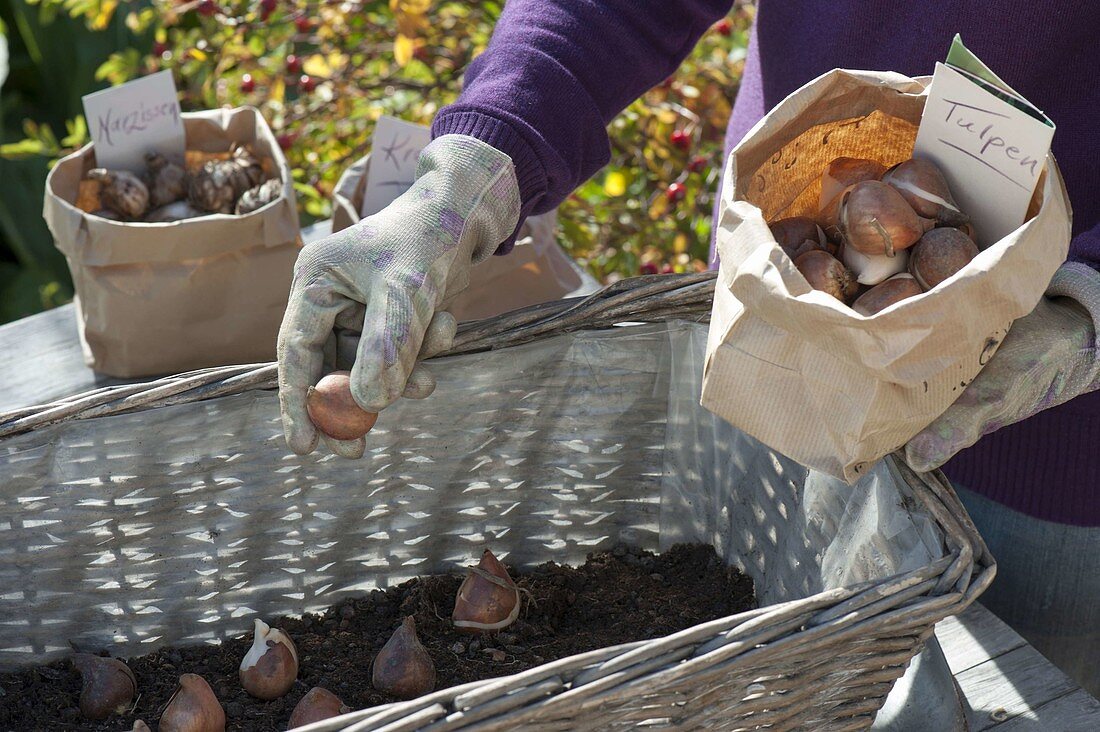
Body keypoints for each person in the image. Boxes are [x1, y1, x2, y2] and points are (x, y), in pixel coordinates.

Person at [277, 1, 1100, 727]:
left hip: (1043, 446)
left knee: (1024, 693)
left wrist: (1087, 301)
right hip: (778, 347)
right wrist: (474, 166)